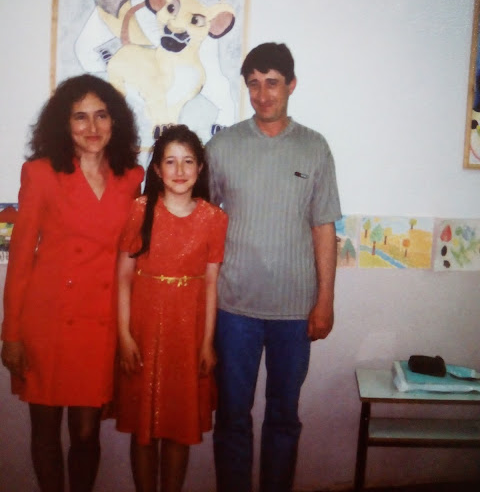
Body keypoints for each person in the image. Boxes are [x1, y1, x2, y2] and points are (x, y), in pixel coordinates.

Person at [206, 42, 342, 492]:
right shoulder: (222, 146)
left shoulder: (314, 147)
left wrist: (325, 302)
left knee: (283, 417)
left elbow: (324, 227)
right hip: (234, 308)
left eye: (272, 83)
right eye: (253, 84)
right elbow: (200, 220)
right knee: (232, 417)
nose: (262, 94)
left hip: (294, 312)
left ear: (291, 85)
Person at [1, 74, 143, 492]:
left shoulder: (131, 177)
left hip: (99, 323)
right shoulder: (40, 173)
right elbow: (21, 259)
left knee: (86, 433)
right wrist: (11, 334)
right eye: (80, 117)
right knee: (45, 431)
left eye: (101, 115)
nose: (92, 127)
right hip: (47, 322)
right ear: (64, 125)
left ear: (115, 122)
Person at [115, 124, 228, 492]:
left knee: (179, 426)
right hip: (144, 331)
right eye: (170, 162)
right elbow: (123, 278)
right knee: (144, 429)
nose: (180, 170)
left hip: (187, 334)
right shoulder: (140, 210)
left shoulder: (214, 218)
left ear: (200, 168)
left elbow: (210, 283)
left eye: (188, 161)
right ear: (157, 169)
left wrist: (207, 343)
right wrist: (124, 336)